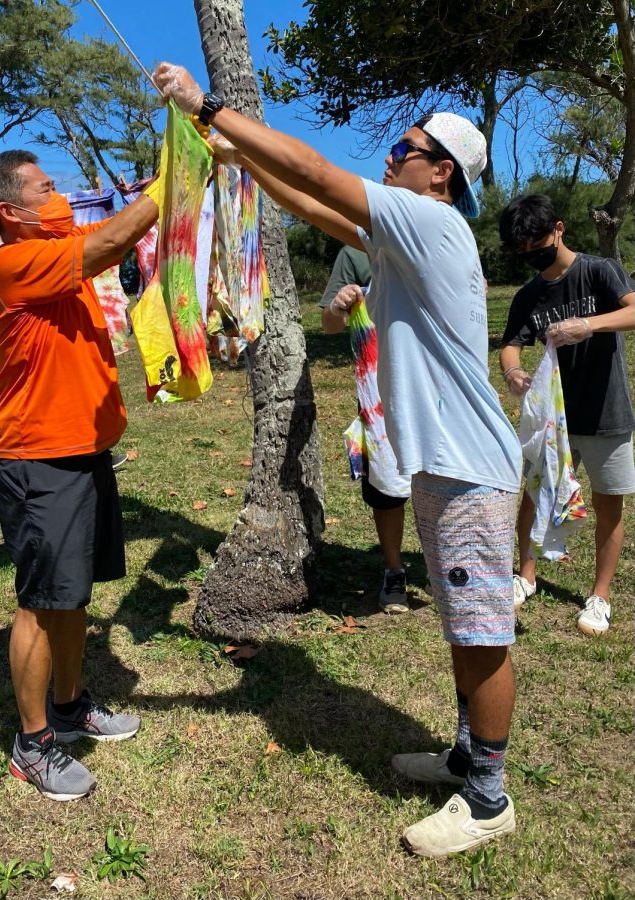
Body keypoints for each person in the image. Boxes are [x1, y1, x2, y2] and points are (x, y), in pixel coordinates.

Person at [153, 63, 522, 858]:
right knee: (465, 623)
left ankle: (489, 798)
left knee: (483, 630)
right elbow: (315, 203)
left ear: (441, 171)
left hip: (470, 469)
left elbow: (319, 170)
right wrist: (240, 158)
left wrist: (207, 105)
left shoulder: (432, 222)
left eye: (402, 147)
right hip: (447, 466)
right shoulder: (406, 238)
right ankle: (465, 756)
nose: (389, 158)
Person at [0, 150, 159, 801]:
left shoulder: (53, 242)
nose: (62, 195)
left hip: (82, 452)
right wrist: (180, 175)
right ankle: (32, 743)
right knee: (41, 603)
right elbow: (115, 236)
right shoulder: (12, 262)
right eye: (47, 189)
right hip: (38, 458)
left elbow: (109, 235)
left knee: (71, 596)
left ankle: (71, 707)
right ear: (10, 211)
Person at [499, 194, 635, 635]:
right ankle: (526, 576)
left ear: (559, 229)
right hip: (553, 420)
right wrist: (515, 373)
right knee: (536, 495)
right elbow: (510, 345)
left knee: (607, 503)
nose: (532, 256)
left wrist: (589, 325)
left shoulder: (599, 271)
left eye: (537, 243)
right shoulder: (530, 294)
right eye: (523, 252)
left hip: (606, 413)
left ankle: (600, 596)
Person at [320, 246, 411, 613]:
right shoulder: (353, 252)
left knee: (442, 481)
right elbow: (329, 324)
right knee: (387, 488)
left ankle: (447, 568)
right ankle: (394, 570)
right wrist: (339, 305)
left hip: (434, 387)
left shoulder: (430, 231)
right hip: (379, 400)